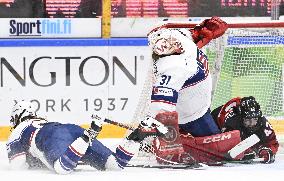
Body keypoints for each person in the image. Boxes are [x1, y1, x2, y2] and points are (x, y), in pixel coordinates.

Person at [6, 100, 168, 174]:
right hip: (71, 129)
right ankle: (137, 136)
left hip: (51, 136)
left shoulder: (18, 130)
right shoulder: (42, 121)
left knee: (62, 168)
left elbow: (17, 166)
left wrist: (32, 162)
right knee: (115, 164)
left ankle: (88, 135)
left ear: (17, 117)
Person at [147, 17, 228, 137]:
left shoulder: (178, 37)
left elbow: (194, 36)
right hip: (193, 116)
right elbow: (161, 104)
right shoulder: (172, 67)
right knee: (217, 152)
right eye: (169, 45)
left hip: (199, 106)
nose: (174, 43)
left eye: (169, 40)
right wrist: (158, 124)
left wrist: (202, 32)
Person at [211, 96, 279, 164]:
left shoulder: (263, 123)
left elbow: (273, 143)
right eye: (248, 120)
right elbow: (222, 147)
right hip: (215, 121)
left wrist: (268, 150)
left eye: (255, 119)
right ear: (241, 117)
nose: (251, 123)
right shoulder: (231, 122)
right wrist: (245, 150)